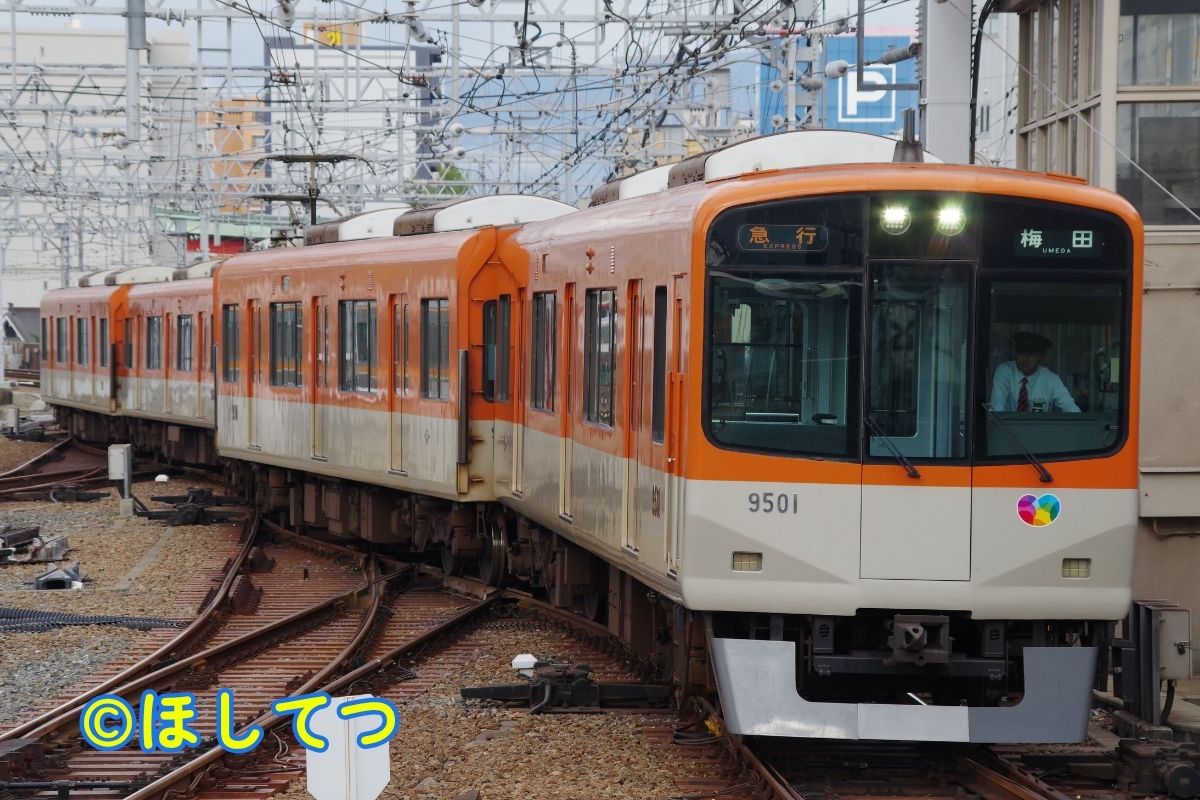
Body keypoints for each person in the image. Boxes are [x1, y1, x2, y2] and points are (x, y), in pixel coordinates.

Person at [990, 331, 1080, 413]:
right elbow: (997, 406)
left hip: (1040, 427)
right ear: (1015, 353)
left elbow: (1071, 408)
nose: (1025, 358)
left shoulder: (1051, 379)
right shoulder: (1005, 371)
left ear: (1042, 358)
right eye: (1021, 352)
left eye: (1032, 354)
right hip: (1006, 426)